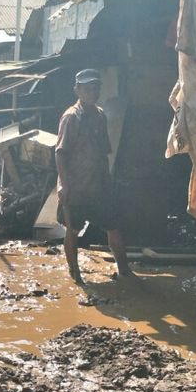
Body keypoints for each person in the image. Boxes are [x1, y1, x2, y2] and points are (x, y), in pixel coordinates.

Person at [55, 68, 134, 283]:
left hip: (99, 187)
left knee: (114, 226)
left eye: (95, 88)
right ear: (77, 90)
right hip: (77, 188)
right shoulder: (71, 118)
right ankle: (75, 272)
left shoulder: (99, 115)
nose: (92, 92)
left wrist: (108, 181)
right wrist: (63, 184)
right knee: (73, 230)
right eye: (87, 89)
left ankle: (124, 270)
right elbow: (60, 153)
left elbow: (104, 153)